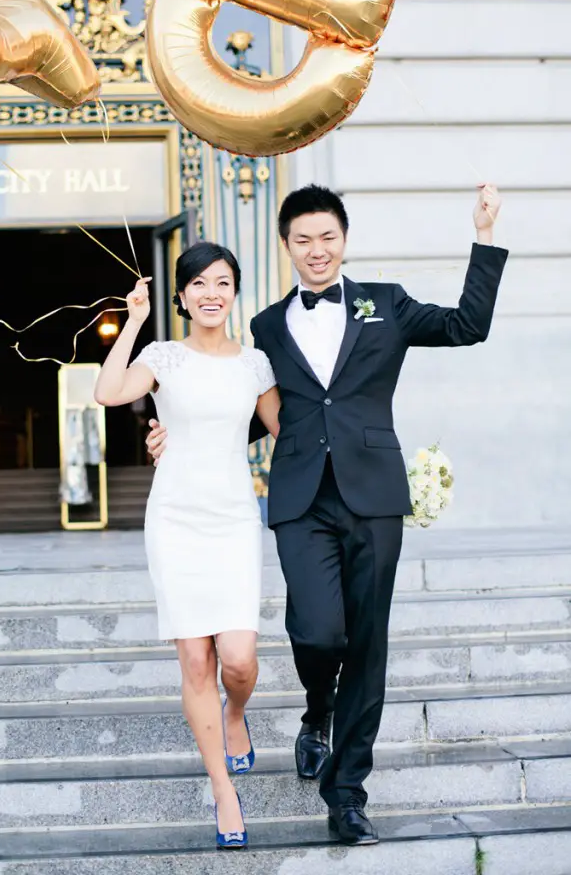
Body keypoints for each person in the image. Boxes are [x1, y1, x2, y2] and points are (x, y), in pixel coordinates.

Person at [146, 182, 508, 845]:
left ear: (343, 240)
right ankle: (318, 710)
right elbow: (250, 413)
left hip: (372, 496)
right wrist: (172, 433)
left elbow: (467, 326)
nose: (316, 250)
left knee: (366, 645)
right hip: (300, 500)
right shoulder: (264, 328)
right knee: (315, 633)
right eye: (302, 239)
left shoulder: (387, 305)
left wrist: (482, 235)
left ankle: (346, 795)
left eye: (327, 237)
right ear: (285, 247)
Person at [94, 242, 280, 850]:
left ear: (234, 292)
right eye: (197, 284)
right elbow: (108, 391)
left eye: (222, 282)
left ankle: (234, 714)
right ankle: (224, 788)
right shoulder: (162, 356)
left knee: (239, 658)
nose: (210, 293)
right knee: (196, 660)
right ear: (181, 296)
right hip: (174, 517)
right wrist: (135, 319)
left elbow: (291, 430)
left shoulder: (255, 364)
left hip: (231, 518)